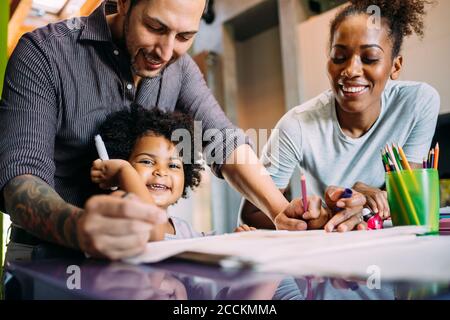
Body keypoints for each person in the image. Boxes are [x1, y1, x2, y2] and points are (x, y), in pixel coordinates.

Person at [1, 0, 327, 262]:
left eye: (185, 37)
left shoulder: (179, 68)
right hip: (46, 258)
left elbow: (223, 142)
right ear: (124, 4)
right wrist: (80, 228)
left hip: (133, 263)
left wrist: (279, 211)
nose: (167, 52)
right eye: (156, 28)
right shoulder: (44, 53)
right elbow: (21, 179)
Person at [241, 0, 440, 232]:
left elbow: (410, 196)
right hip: (334, 244)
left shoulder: (418, 102)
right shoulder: (296, 125)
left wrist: (365, 201)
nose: (351, 70)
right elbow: (252, 213)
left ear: (395, 66)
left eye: (369, 58)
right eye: (339, 57)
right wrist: (320, 215)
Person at [91, 105, 255, 243]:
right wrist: (123, 171)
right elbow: (150, 224)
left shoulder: (185, 230)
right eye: (147, 161)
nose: (161, 171)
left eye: (173, 165)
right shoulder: (118, 219)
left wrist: (237, 243)